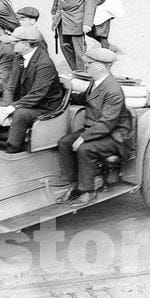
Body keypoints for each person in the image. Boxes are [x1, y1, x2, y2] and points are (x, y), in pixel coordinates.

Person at [56, 45, 133, 206]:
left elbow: (107, 124)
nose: (85, 65)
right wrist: (63, 95)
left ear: (100, 66)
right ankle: (75, 184)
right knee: (64, 142)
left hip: (115, 136)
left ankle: (88, 191)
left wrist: (83, 138)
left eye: (89, 63)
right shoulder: (96, 81)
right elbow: (85, 99)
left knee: (85, 149)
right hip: (96, 131)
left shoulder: (113, 90)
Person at [0, 25, 65, 153]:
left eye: (14, 42)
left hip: (44, 106)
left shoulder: (44, 64)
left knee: (20, 114)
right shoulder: (19, 57)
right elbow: (10, 85)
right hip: (28, 102)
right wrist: (4, 106)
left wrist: (11, 108)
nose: (11, 45)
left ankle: (12, 150)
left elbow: (37, 94)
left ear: (25, 44)